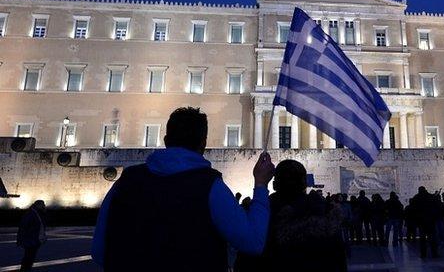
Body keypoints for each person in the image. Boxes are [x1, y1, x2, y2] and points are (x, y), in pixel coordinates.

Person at [92, 107, 275, 271]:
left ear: (165, 140)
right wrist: (260, 185)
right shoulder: (210, 186)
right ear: (203, 143)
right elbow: (252, 242)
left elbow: (99, 252)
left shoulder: (125, 182)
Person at [251, 159, 347, 272]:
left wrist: (260, 184)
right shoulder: (327, 217)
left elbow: (247, 262)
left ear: (274, 184)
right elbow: (339, 263)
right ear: (305, 183)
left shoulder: (261, 217)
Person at [17, 200, 47, 272]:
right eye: (42, 205)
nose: (44, 206)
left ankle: (26, 269)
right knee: (28, 258)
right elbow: (23, 227)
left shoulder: (37, 213)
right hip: (31, 240)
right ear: (37, 205)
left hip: (34, 240)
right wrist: (20, 239)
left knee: (30, 258)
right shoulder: (31, 213)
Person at [413, 186, 439, 258]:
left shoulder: (416, 198)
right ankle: (434, 253)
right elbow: (436, 207)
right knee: (432, 238)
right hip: (430, 221)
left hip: (421, 221)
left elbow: (414, 210)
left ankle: (423, 254)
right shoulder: (430, 197)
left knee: (423, 240)